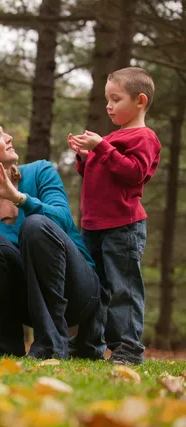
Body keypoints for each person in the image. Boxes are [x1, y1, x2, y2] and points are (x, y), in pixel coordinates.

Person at [0, 113, 104, 360]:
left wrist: (18, 198)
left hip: (77, 291)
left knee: (36, 225)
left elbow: (62, 220)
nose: (9, 137)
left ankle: (50, 346)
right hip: (27, 303)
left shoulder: (40, 172)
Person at [68, 67, 161, 365]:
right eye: (107, 99)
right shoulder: (110, 138)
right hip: (93, 225)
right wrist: (84, 157)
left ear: (140, 101)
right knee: (95, 288)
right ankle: (89, 343)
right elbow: (98, 173)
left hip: (124, 226)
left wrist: (101, 147)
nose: (108, 105)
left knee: (124, 288)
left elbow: (134, 174)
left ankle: (129, 348)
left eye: (116, 99)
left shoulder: (144, 138)